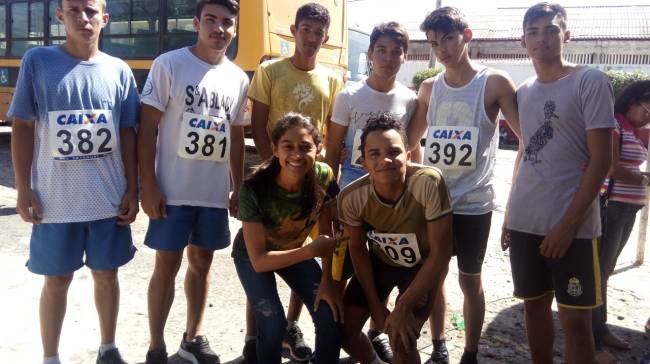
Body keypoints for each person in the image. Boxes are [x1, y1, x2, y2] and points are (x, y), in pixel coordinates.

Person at [9, 0, 140, 363]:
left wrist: (134, 187)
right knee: (56, 281)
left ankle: (108, 348)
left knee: (107, 275)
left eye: (90, 10)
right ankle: (50, 356)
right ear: (60, 16)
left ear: (105, 18)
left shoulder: (118, 70)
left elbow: (128, 132)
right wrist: (23, 188)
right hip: (55, 201)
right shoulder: (38, 61)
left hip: (108, 199)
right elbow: (23, 125)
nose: (83, 18)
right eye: (74, 10)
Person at [502, 3, 615, 363]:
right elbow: (523, 151)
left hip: (574, 228)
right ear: (523, 41)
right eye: (533, 32)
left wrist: (567, 226)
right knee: (533, 310)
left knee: (575, 321)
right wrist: (508, 214)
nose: (542, 38)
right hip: (524, 221)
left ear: (566, 35)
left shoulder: (589, 81)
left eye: (550, 30)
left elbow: (602, 161)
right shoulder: (524, 91)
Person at [407, 7, 520, 364]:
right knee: (434, 276)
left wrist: (516, 207)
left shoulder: (495, 83)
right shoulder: (428, 88)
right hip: (434, 204)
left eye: (449, 39)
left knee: (470, 281)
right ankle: (439, 345)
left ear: (466, 36)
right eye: (434, 44)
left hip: (474, 205)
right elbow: (409, 141)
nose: (442, 50)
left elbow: (529, 141)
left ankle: (470, 352)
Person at [138, 0, 248, 363]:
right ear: (197, 23)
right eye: (211, 20)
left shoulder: (238, 78)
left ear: (234, 28)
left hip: (212, 195)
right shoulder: (169, 64)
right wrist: (148, 185)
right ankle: (156, 345)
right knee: (166, 266)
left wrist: (238, 186)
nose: (219, 28)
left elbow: (234, 135)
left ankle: (193, 337)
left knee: (202, 263)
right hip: (172, 191)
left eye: (227, 22)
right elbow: (148, 128)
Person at [246, 3, 343, 361]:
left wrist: (322, 170)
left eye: (319, 32)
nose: (312, 37)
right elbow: (258, 123)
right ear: (294, 31)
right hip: (278, 171)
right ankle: (256, 339)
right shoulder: (271, 70)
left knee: (304, 245)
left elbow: (333, 131)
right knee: (264, 261)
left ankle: (291, 324)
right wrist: (274, 167)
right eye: (306, 29)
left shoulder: (333, 79)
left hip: (311, 177)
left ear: (326, 37)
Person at [324, 21, 417, 363]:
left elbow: (412, 153)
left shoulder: (409, 99)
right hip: (351, 200)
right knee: (341, 276)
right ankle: (334, 339)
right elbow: (333, 150)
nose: (388, 58)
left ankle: (382, 332)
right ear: (370, 54)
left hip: (392, 209)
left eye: (396, 52)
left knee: (384, 269)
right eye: (382, 50)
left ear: (404, 57)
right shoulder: (349, 95)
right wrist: (331, 198)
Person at [339, 114, 453, 364]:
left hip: (422, 267)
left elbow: (441, 252)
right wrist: (376, 305)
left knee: (401, 338)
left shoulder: (428, 183)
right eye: (375, 154)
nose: (385, 160)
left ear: (409, 155)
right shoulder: (351, 198)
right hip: (381, 264)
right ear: (364, 162)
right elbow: (357, 248)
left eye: (394, 151)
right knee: (344, 333)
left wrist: (404, 305)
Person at [232, 113, 343, 364]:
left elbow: (327, 233)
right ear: (274, 149)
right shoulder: (254, 188)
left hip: (294, 250)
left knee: (331, 315)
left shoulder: (323, 175)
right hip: (252, 256)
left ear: (319, 149)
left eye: (306, 147)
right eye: (288, 147)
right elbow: (259, 261)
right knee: (272, 325)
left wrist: (328, 282)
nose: (297, 155)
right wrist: (311, 251)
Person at [592, 81, 650, 363]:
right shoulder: (616, 124)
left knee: (607, 269)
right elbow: (611, 167)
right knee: (600, 272)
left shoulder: (635, 131)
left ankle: (600, 329)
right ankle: (592, 337)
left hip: (629, 208)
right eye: (647, 109)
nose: (648, 115)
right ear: (633, 102)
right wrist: (643, 179)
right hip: (613, 206)